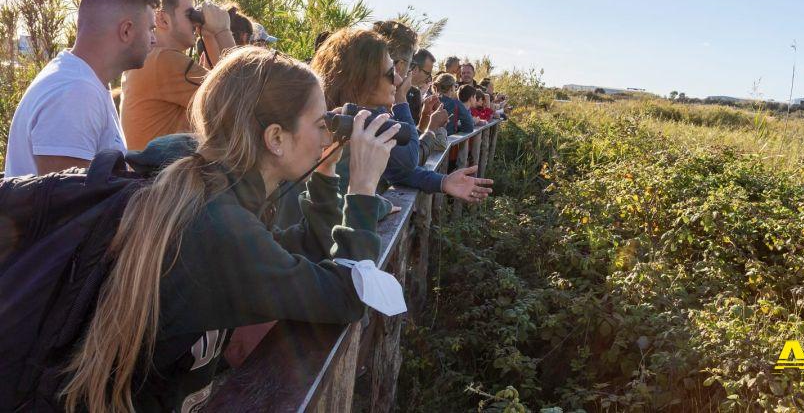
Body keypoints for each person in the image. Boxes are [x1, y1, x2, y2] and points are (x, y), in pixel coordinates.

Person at [61, 46, 398, 413]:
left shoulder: (212, 191)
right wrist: (363, 188)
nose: (326, 137)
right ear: (276, 138)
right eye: (321, 125)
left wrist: (325, 172)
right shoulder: (218, 224)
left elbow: (307, 251)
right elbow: (348, 296)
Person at [3, 0, 159, 177]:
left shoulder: (83, 81)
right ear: (126, 31)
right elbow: (67, 204)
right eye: (150, 29)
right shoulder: (75, 93)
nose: (154, 39)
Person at [311, 29, 492, 202]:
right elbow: (409, 159)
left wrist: (443, 182)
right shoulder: (337, 124)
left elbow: (399, 170)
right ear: (362, 79)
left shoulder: (366, 117)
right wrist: (401, 100)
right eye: (391, 73)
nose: (399, 80)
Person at [119, 0, 236, 151]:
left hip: (158, 174)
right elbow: (243, 96)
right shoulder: (164, 61)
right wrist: (223, 30)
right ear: (162, 20)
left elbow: (224, 90)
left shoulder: (150, 60)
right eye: (190, 15)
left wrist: (209, 36)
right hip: (167, 175)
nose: (195, 22)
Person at [406, 48, 436, 122]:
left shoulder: (416, 92)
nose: (429, 78)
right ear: (415, 69)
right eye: (427, 73)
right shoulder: (394, 88)